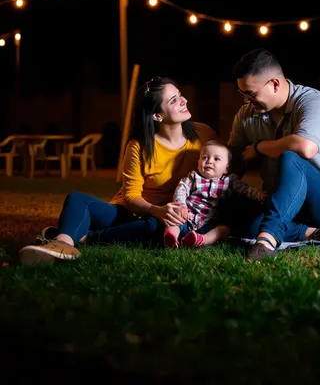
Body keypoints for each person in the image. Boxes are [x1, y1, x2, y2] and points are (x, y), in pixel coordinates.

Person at [19, 77, 216, 265]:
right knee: (77, 199)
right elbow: (130, 195)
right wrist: (157, 210)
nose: (184, 101)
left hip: (166, 219)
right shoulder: (139, 146)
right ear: (157, 115)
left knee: (157, 228)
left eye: (180, 95)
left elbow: (225, 166)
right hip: (131, 212)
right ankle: (61, 243)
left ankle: (88, 237)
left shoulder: (204, 134)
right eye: (174, 100)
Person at [227, 49, 320, 261]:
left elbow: (305, 148)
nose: (246, 101)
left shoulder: (313, 101)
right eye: (242, 93)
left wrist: (259, 147)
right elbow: (232, 163)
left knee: (292, 157)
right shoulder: (246, 115)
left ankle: (267, 240)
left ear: (274, 84)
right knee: (232, 218)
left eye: (251, 94)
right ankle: (312, 233)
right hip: (286, 207)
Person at [164, 139, 267, 248]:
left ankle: (201, 240)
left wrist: (258, 195)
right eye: (204, 157)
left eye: (216, 159)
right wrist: (181, 206)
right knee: (172, 221)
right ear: (198, 162)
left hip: (210, 222)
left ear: (226, 168)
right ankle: (171, 236)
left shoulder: (230, 181)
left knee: (223, 230)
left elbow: (245, 189)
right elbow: (181, 189)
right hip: (186, 216)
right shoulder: (194, 176)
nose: (209, 161)